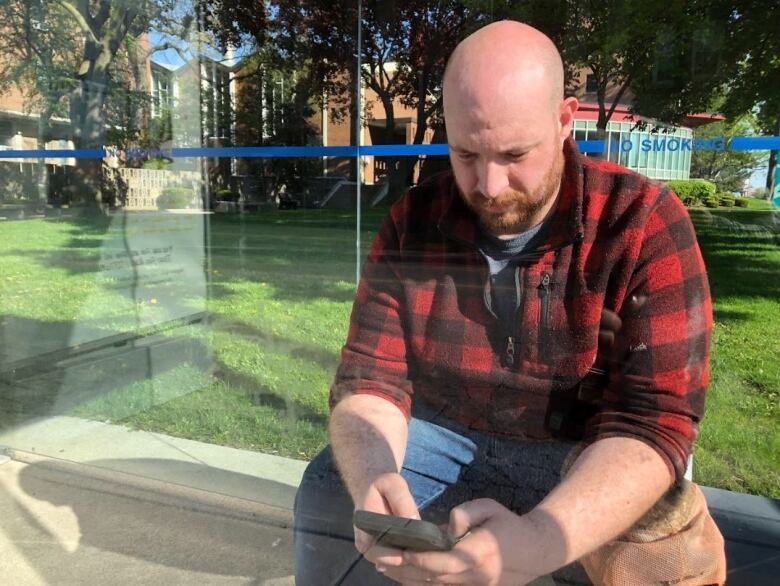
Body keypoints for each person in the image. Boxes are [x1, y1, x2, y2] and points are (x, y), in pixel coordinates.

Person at [294, 20, 726, 585]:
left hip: (589, 448)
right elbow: (370, 378)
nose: (489, 186)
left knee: (657, 562)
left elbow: (654, 423)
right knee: (332, 488)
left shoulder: (642, 222)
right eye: (466, 153)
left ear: (565, 119)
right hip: (449, 432)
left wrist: (540, 542)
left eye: (514, 153)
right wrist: (372, 476)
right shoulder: (413, 220)